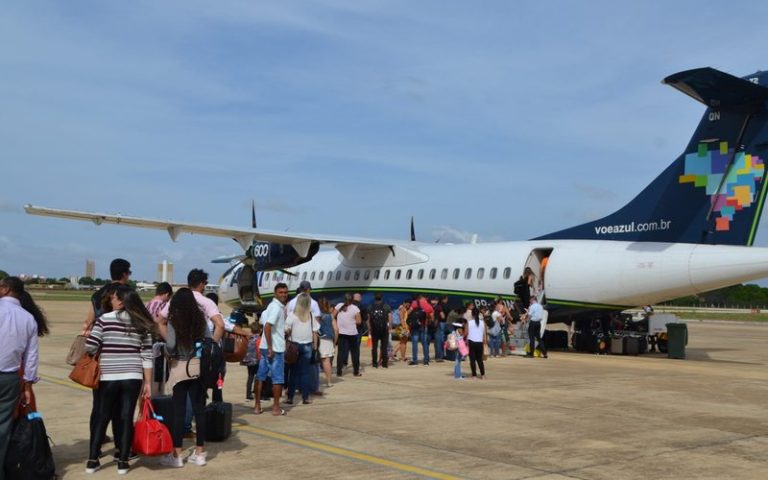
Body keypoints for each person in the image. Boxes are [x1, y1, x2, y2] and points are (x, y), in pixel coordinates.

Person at [84, 286, 154, 474]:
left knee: (102, 415)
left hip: (109, 375)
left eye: (113, 298)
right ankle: (123, 461)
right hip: (133, 376)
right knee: (125, 416)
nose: (111, 301)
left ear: (121, 300)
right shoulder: (142, 323)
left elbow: (90, 348)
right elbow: (147, 355)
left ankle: (92, 460)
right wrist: (147, 383)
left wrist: (88, 336)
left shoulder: (104, 320)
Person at [157, 288, 210, 468]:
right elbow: (209, 340)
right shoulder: (201, 320)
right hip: (198, 367)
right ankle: (200, 453)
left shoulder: (174, 321)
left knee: (179, 412)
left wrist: (164, 351)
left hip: (179, 367)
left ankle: (177, 455)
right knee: (199, 410)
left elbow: (170, 345)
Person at [0, 277, 41, 472]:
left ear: (6, 289)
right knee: (3, 427)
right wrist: (27, 386)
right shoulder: (28, 318)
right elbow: (31, 357)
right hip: (10, 379)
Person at [254, 283, 289, 416]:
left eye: (285, 292)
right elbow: (267, 326)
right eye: (280, 292)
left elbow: (263, 322)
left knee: (260, 376)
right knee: (278, 379)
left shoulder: (270, 306)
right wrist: (270, 347)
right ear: (275, 293)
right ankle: (276, 408)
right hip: (275, 348)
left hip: (264, 346)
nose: (283, 295)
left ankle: (257, 406)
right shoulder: (277, 308)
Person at [285, 293, 319, 405]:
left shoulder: (292, 315)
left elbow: (286, 329)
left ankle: (290, 397)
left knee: (293, 373)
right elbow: (315, 332)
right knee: (305, 373)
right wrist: (315, 346)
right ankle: (305, 397)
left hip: (294, 346)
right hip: (307, 346)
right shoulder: (311, 316)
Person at [335, 294, 362, 377]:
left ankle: (339, 371)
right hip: (352, 333)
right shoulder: (355, 308)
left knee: (341, 353)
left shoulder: (339, 306)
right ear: (352, 300)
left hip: (341, 333)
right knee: (355, 353)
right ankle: (356, 371)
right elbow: (359, 322)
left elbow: (333, 315)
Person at [367, 293, 391, 368]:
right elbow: (390, 317)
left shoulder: (370, 306)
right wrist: (389, 327)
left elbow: (368, 319)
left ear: (374, 297)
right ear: (382, 297)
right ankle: (384, 363)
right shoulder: (386, 306)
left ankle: (374, 363)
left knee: (374, 347)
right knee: (384, 347)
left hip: (374, 329)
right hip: (384, 329)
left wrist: (369, 328)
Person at [317, 298, 337, 387]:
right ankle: (329, 381)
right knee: (327, 361)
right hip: (328, 339)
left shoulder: (317, 316)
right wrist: (334, 342)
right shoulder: (331, 316)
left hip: (319, 338)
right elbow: (336, 330)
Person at [408, 294, 433, 366]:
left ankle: (415, 361)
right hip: (423, 325)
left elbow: (409, 312)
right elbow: (431, 314)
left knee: (415, 343)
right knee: (424, 343)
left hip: (415, 326)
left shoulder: (415, 303)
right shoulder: (427, 304)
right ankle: (426, 361)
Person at [465, 304, 487, 379]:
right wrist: (485, 343)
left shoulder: (469, 322)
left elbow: (466, 333)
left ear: (472, 314)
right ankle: (483, 375)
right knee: (479, 360)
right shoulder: (483, 323)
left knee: (472, 360)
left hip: (471, 342)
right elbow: (484, 335)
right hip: (479, 342)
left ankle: (474, 375)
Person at [243, 322, 262, 400]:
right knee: (258, 377)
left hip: (248, 360)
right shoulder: (259, 339)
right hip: (256, 360)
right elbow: (259, 351)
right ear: (260, 331)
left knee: (250, 376)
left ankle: (248, 394)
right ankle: (256, 391)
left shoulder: (248, 338)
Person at [432, 296, 449, 363]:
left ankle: (438, 355)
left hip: (434, 325)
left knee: (437, 341)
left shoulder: (433, 307)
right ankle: (439, 356)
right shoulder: (439, 307)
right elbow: (443, 316)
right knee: (440, 341)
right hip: (440, 324)